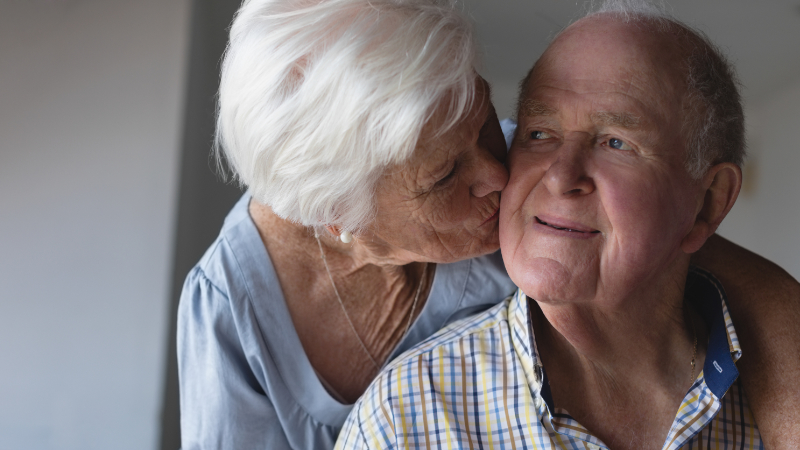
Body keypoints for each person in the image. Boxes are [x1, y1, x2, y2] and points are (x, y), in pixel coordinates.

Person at [179, 0, 800, 449]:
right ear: (341, 218)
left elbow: (685, 244)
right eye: (446, 176)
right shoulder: (232, 313)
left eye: (488, 121)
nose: (504, 176)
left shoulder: (526, 166)